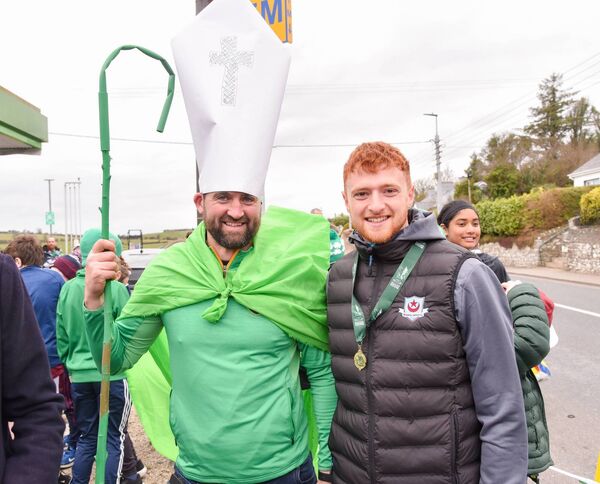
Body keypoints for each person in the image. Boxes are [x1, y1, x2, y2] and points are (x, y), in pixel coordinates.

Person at [82, 1, 337, 483]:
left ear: (262, 201)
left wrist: (324, 463)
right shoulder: (168, 273)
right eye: (223, 197)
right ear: (200, 201)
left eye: (248, 198)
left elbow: (322, 373)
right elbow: (112, 362)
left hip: (285, 472)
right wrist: (95, 301)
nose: (236, 210)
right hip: (196, 474)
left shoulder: (292, 272)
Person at [326, 141, 527, 483]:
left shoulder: (465, 274)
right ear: (346, 201)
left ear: (409, 195)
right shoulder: (338, 277)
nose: (376, 205)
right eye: (361, 194)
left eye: (389, 190)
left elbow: (503, 406)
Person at [56, 229, 143, 484]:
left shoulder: (68, 289)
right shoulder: (115, 288)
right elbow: (129, 331)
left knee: (86, 437)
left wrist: (71, 365)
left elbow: (61, 335)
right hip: (112, 375)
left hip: (79, 376)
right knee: (114, 437)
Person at [0, 253, 65, 481]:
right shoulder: (56, 281)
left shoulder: (5, 275)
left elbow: (37, 410)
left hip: (40, 357)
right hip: (50, 358)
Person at [501, 280, 553, 482]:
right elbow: (530, 343)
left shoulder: (490, 265)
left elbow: (547, 310)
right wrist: (521, 291)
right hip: (503, 434)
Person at [437, 200, 509, 282]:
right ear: (444, 229)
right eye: (462, 224)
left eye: (475, 224)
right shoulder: (434, 266)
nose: (471, 230)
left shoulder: (492, 265)